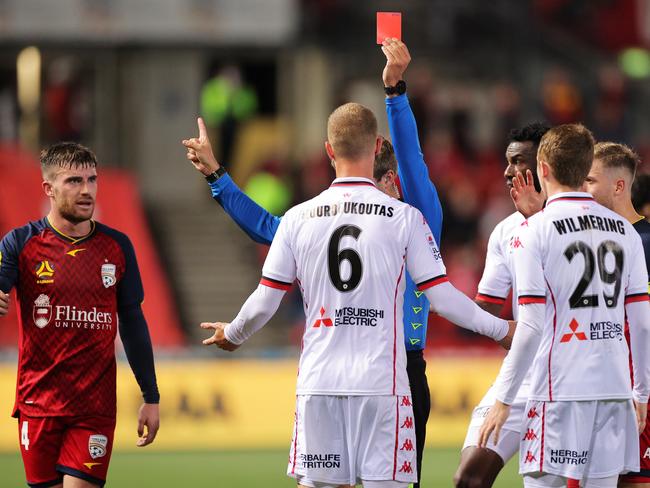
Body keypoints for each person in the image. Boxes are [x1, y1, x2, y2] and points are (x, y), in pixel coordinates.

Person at [186, 102, 514, 487]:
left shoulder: (298, 219)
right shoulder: (405, 220)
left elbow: (265, 296)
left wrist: (234, 333)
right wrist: (501, 329)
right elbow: (442, 297)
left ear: (328, 150)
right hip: (385, 381)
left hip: (320, 383)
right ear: (376, 147)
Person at [183, 38, 443, 488]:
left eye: (380, 182)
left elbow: (414, 160)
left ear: (393, 181)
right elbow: (268, 226)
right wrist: (216, 176)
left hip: (401, 371)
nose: (368, 195)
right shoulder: (329, 219)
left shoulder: (413, 218)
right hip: (340, 369)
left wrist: (396, 93)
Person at [479, 124, 650, 488]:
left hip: (558, 395)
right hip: (614, 394)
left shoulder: (533, 231)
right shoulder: (626, 233)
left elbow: (531, 325)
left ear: (542, 169)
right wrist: (642, 392)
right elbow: (642, 323)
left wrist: (504, 398)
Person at [0, 142, 160, 488]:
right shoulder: (20, 243)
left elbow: (133, 324)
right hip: (38, 403)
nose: (87, 190)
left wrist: (151, 396)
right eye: (74, 181)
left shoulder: (117, 247)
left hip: (94, 407)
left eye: (92, 179)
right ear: (49, 189)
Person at [454, 122, 550, 488]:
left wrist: (537, 218)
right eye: (506, 162)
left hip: (567, 376)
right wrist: (443, 300)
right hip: (521, 373)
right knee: (469, 478)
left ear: (543, 165)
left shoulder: (574, 221)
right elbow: (488, 310)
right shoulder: (505, 230)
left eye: (517, 162)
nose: (508, 171)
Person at [583, 142, 650, 488]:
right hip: (596, 386)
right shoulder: (588, 243)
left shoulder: (646, 242)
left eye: (590, 181)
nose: (582, 189)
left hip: (640, 392)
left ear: (619, 187)